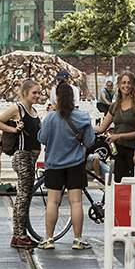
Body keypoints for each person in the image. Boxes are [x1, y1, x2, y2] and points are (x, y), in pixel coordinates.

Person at [37, 83, 97, 251]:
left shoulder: (50, 118)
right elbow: (89, 142)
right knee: (76, 202)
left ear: (56, 98)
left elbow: (42, 138)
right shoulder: (83, 117)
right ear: (73, 98)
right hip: (75, 164)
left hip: (53, 164)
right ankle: (78, 239)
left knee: (53, 202)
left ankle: (48, 239)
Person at [0, 79, 43, 248]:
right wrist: (14, 129)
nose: (37, 96)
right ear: (25, 93)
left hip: (32, 157)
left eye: (38, 93)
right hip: (23, 156)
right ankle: (19, 234)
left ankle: (19, 233)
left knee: (25, 194)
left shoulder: (34, 111)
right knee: (23, 195)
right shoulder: (18, 109)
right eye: (34, 93)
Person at [97, 72, 135, 183]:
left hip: (134, 151)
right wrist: (83, 127)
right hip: (118, 150)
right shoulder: (115, 105)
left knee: (133, 183)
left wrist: (118, 135)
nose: (126, 85)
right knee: (118, 182)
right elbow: (102, 128)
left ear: (134, 85)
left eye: (129, 83)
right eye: (123, 82)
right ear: (119, 85)